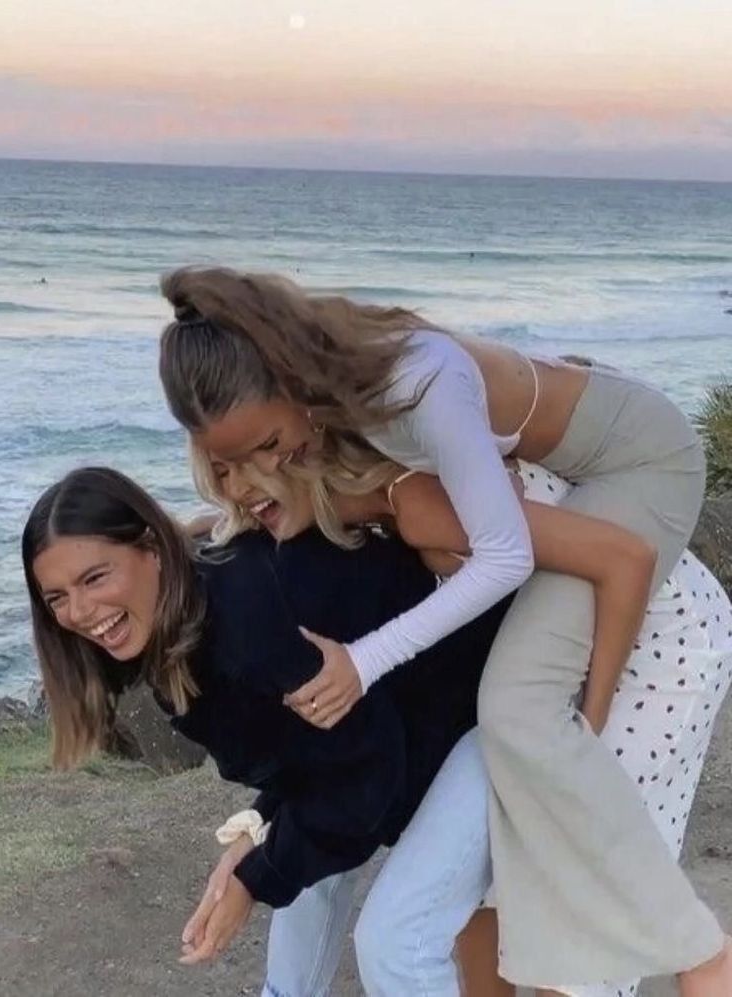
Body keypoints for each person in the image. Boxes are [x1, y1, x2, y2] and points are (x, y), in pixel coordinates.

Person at [157, 265, 730, 992]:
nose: (263, 472)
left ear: (289, 382)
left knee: (518, 711)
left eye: (267, 447)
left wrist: (585, 719)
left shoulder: (411, 427)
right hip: (575, 501)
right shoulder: (345, 447)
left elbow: (558, 553)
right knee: (494, 886)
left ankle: (698, 949)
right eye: (231, 467)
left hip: (641, 470)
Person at [23, 466, 514, 995]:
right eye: (56, 598)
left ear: (153, 548)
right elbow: (320, 756)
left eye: (95, 578)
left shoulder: (245, 617)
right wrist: (260, 833)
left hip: (493, 707)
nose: (79, 611)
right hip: (415, 726)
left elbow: (364, 774)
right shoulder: (183, 617)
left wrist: (255, 879)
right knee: (307, 871)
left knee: (397, 942)